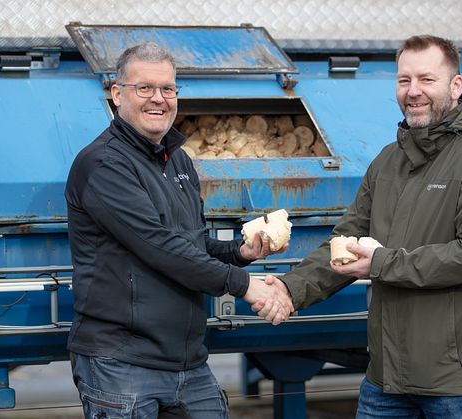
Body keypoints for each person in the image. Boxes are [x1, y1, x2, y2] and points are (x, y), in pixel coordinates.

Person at [256, 34, 462, 418]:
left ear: (456, 85)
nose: (413, 91)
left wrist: (381, 263)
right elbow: (344, 243)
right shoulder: (387, 162)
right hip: (386, 382)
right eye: (404, 80)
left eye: (426, 80)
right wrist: (289, 288)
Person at [65, 42, 292, 419]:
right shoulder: (103, 165)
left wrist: (241, 252)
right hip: (122, 362)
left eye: (168, 89)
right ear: (117, 94)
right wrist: (244, 284)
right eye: (145, 88)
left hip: (185, 361)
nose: (159, 99)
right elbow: (159, 246)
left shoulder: (178, 159)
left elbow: (192, 241)